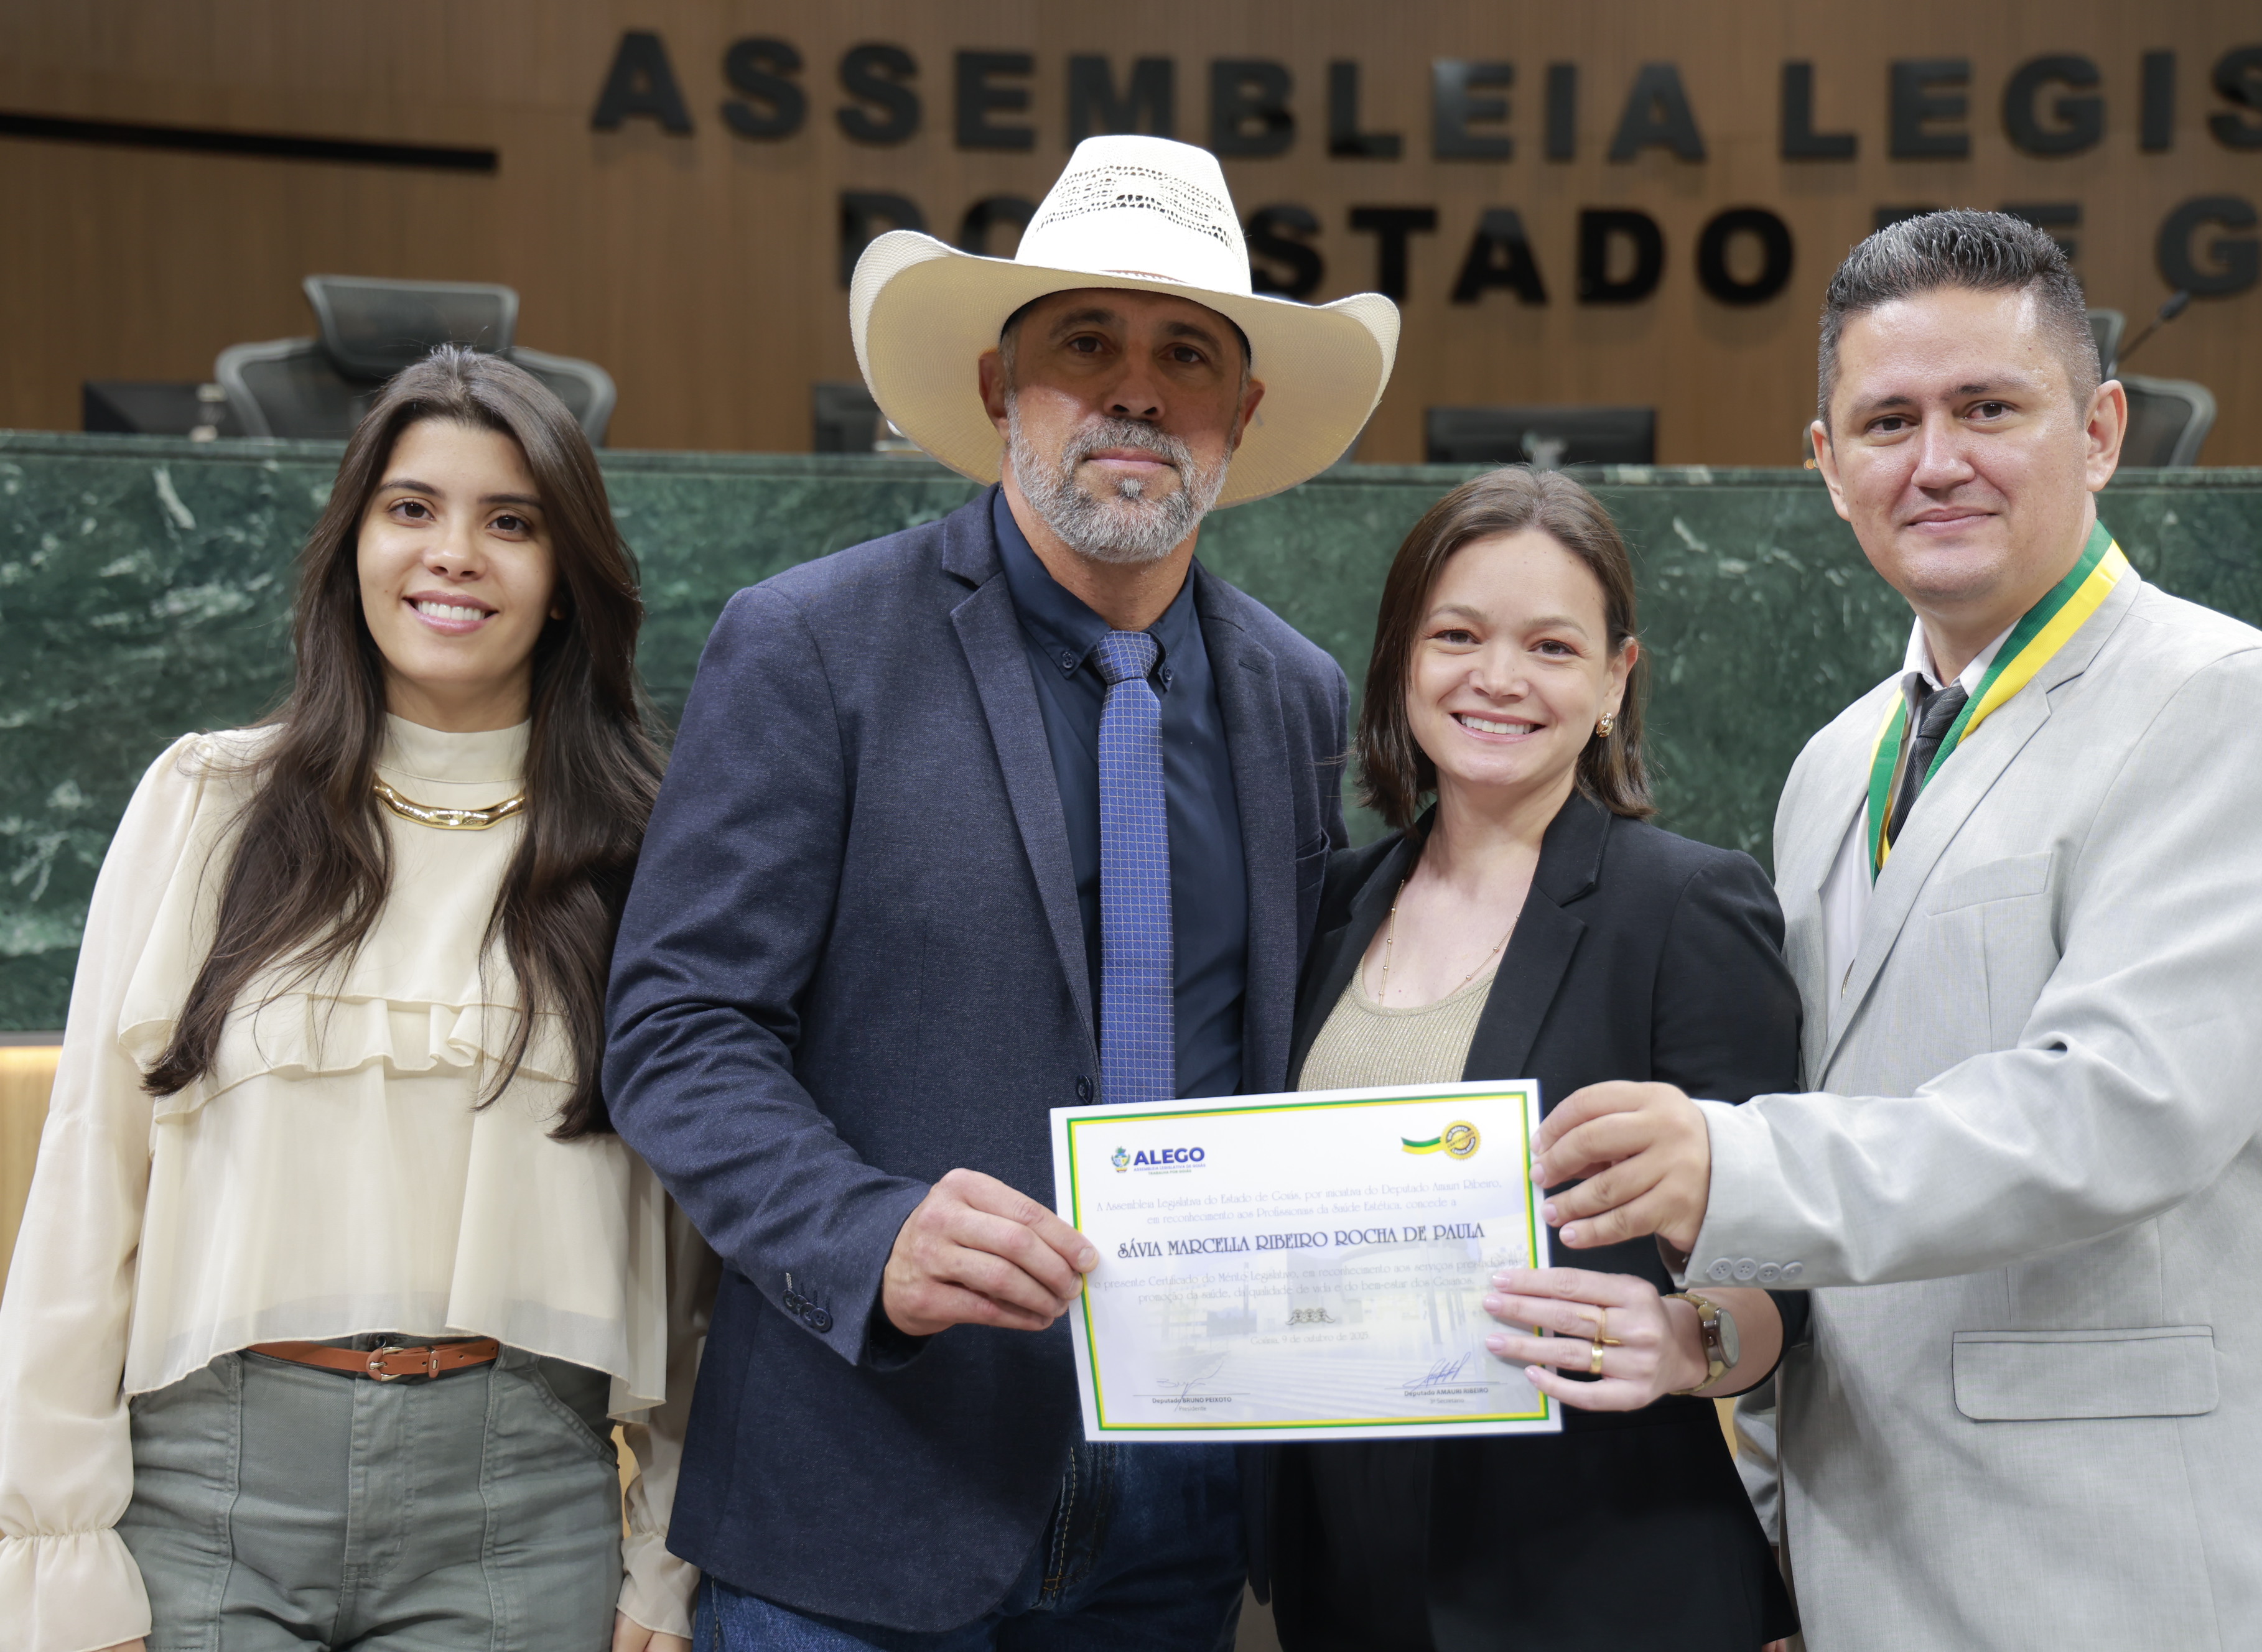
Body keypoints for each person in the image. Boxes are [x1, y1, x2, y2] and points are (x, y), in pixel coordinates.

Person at [1529, 210, 2262, 1646]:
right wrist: (1775, 1506)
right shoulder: (1834, 766)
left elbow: (2119, 1109)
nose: (1937, 460)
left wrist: (1729, 1159)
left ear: (2099, 432)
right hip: (1889, 1566)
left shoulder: (2238, 706)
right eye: (1888, 420)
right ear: (1827, 463)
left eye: (1988, 408)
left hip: (2197, 1575)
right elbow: (1848, 1171)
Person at [600, 134, 1398, 1647]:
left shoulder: (1293, 692)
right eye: (1085, 343)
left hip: (1182, 1497)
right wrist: (867, 1233)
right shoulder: (812, 645)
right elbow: (675, 1028)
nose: (1136, 392)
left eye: (1186, 355)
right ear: (996, 387)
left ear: (1241, 413)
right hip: (865, 1482)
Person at [0, 346, 709, 1651]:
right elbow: (88, 1188)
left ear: (568, 577)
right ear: (354, 546)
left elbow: (696, 1246)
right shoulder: (208, 802)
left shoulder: (650, 847)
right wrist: (57, 1557)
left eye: (512, 522)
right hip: (203, 1497)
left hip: (520, 1505)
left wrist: (667, 1553)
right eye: (412, 508)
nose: (455, 555)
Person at [1254, 468, 1804, 1651]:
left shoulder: (1687, 908)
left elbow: (1788, 1277)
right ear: (1403, 661)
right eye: (1457, 636)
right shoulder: (1327, 907)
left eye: (1552, 647)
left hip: (1601, 1581)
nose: (1498, 678)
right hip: (1344, 1577)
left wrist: (1686, 1343)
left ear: (1614, 680)